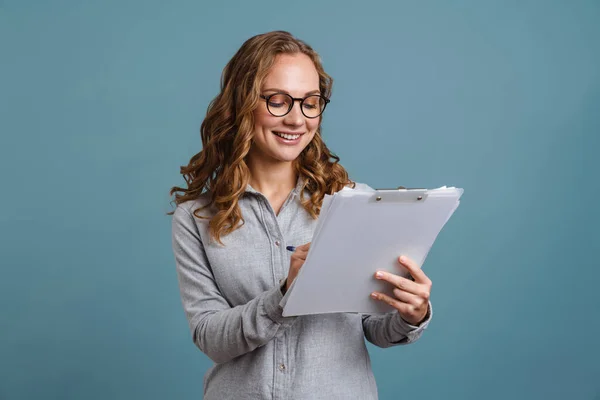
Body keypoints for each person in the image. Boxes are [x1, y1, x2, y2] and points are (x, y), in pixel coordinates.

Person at [169, 30, 432, 400]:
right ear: (241, 103)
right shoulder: (195, 218)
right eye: (278, 101)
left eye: (310, 102)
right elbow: (211, 338)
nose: (297, 119)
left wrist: (412, 312)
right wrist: (285, 295)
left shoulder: (354, 202)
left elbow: (376, 328)